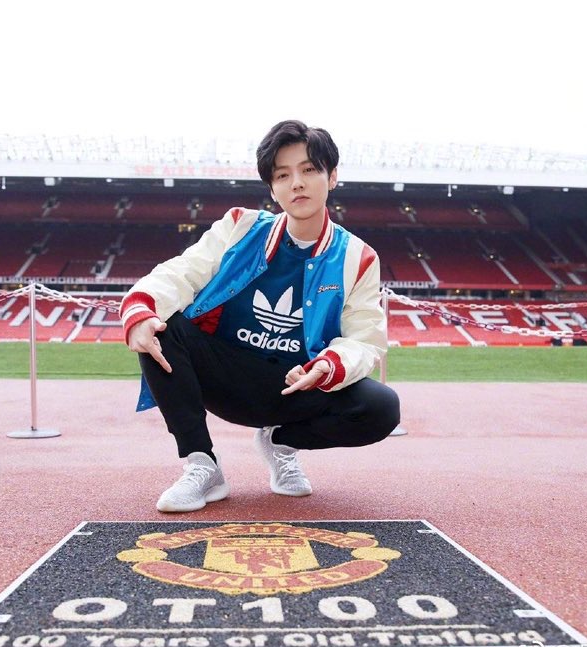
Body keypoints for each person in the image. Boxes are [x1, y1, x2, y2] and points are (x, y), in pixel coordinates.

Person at [120, 120, 400, 512]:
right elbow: (181, 273)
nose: (296, 183)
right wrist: (139, 310)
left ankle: (280, 442)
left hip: (297, 385)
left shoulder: (358, 256)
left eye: (309, 170)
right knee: (161, 326)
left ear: (332, 176)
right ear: (272, 188)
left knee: (381, 408)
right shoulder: (241, 226)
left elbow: (365, 338)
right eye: (282, 175)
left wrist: (328, 366)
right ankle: (202, 464)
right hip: (225, 377)